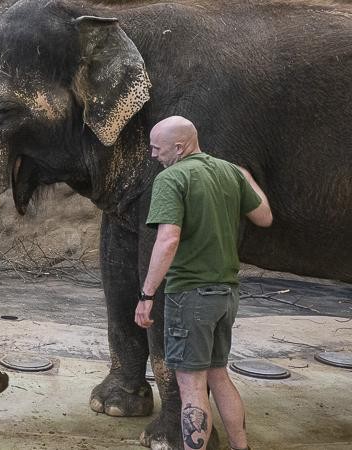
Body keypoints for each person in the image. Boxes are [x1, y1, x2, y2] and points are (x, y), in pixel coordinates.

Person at [135, 116, 272, 450]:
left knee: (191, 385)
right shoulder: (229, 172)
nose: (153, 155)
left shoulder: (172, 178)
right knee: (218, 375)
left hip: (192, 298)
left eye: (157, 148)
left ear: (179, 147)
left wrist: (147, 294)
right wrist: (247, 178)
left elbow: (168, 240)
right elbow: (265, 217)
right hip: (227, 295)